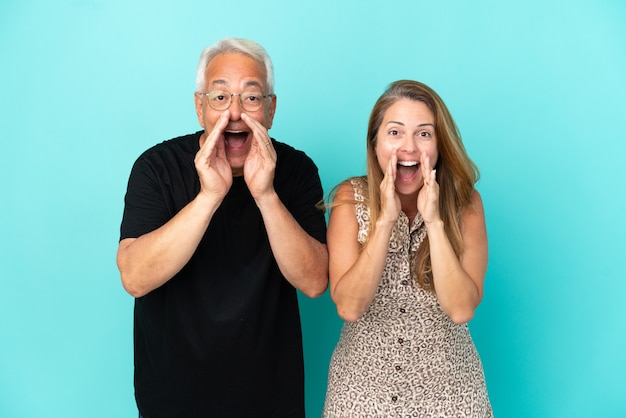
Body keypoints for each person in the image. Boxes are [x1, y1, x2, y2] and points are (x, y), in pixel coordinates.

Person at [116, 37, 329, 418]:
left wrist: (265, 195)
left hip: (270, 397)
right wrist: (209, 196)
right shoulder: (155, 167)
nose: (234, 113)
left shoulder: (297, 171)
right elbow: (134, 276)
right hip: (171, 397)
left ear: (270, 109)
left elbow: (314, 281)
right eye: (219, 97)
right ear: (200, 107)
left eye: (251, 97)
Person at [322, 80, 492, 417]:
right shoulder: (349, 198)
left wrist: (435, 222)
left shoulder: (466, 205)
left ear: (440, 145)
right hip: (360, 397)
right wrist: (384, 222)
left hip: (451, 397)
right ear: (375, 144)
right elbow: (349, 307)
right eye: (395, 132)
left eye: (424, 134)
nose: (409, 147)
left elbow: (461, 310)